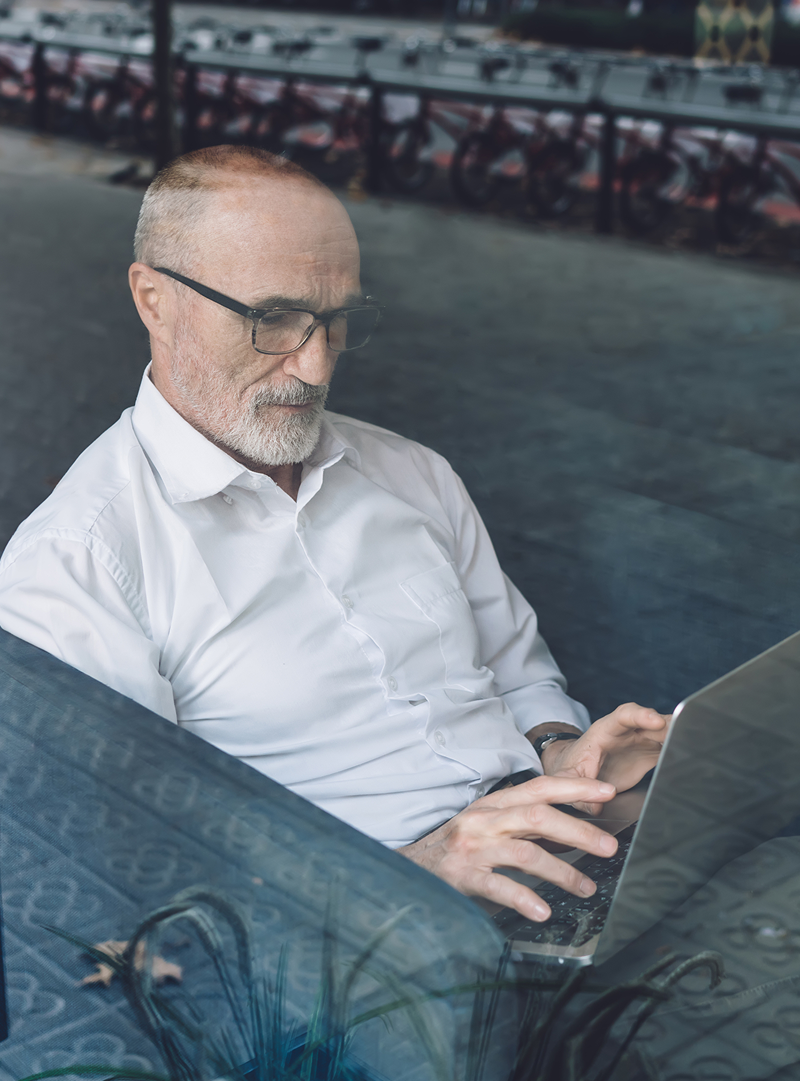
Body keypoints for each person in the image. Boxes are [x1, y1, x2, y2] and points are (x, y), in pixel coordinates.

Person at [0, 145, 669, 923]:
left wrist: (567, 755)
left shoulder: (412, 473)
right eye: (272, 319)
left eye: (338, 319)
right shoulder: (78, 566)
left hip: (548, 851)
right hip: (360, 944)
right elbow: (137, 872)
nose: (314, 366)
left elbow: (520, 676)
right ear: (153, 298)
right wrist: (424, 868)